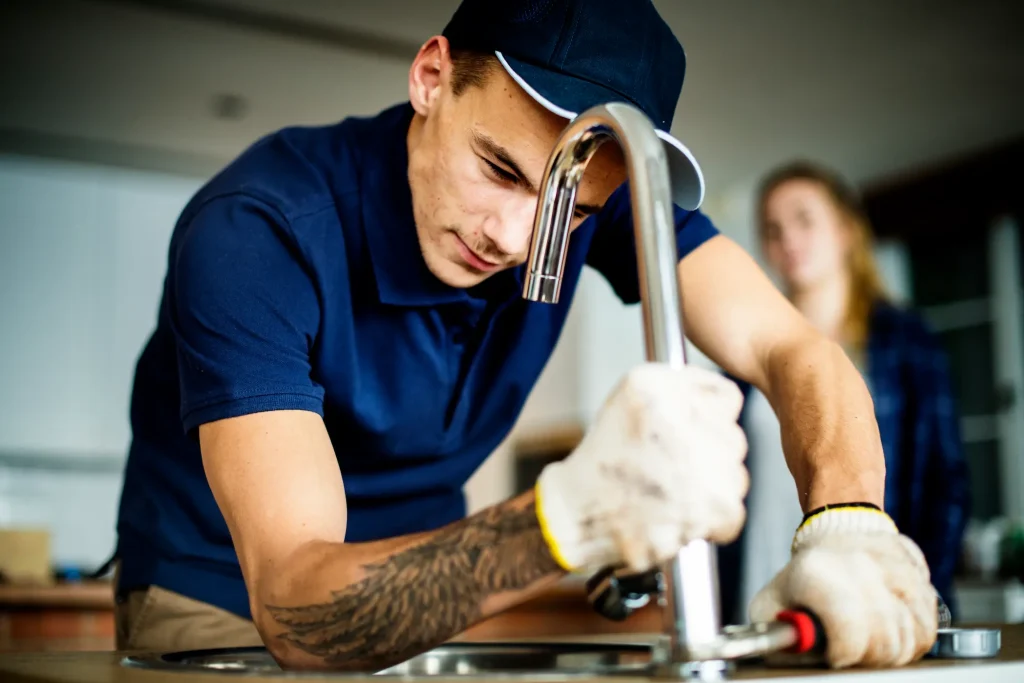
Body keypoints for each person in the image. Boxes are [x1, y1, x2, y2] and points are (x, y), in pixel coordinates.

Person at [112, 0, 938, 671]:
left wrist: (848, 521)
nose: (514, 236)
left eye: (568, 210)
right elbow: (294, 602)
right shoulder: (259, 230)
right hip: (219, 597)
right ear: (432, 77)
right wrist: (567, 519)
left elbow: (790, 349)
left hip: (426, 590)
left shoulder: (587, 195)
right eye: (499, 169)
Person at [717, 160, 970, 625]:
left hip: (869, 602)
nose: (787, 238)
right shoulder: (745, 350)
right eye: (772, 228)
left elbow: (945, 482)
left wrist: (918, 591)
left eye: (803, 220)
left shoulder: (906, 343)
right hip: (758, 598)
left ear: (845, 230)